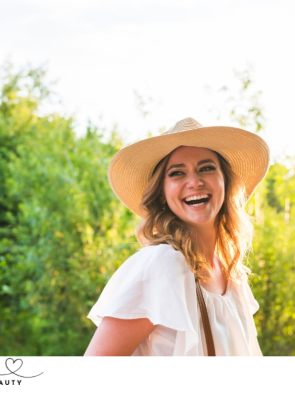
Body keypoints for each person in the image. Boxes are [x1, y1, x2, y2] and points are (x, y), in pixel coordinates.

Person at [84, 117, 270, 356]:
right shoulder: (161, 265)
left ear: (226, 181)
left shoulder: (233, 276)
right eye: (177, 173)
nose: (195, 182)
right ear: (161, 193)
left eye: (206, 168)